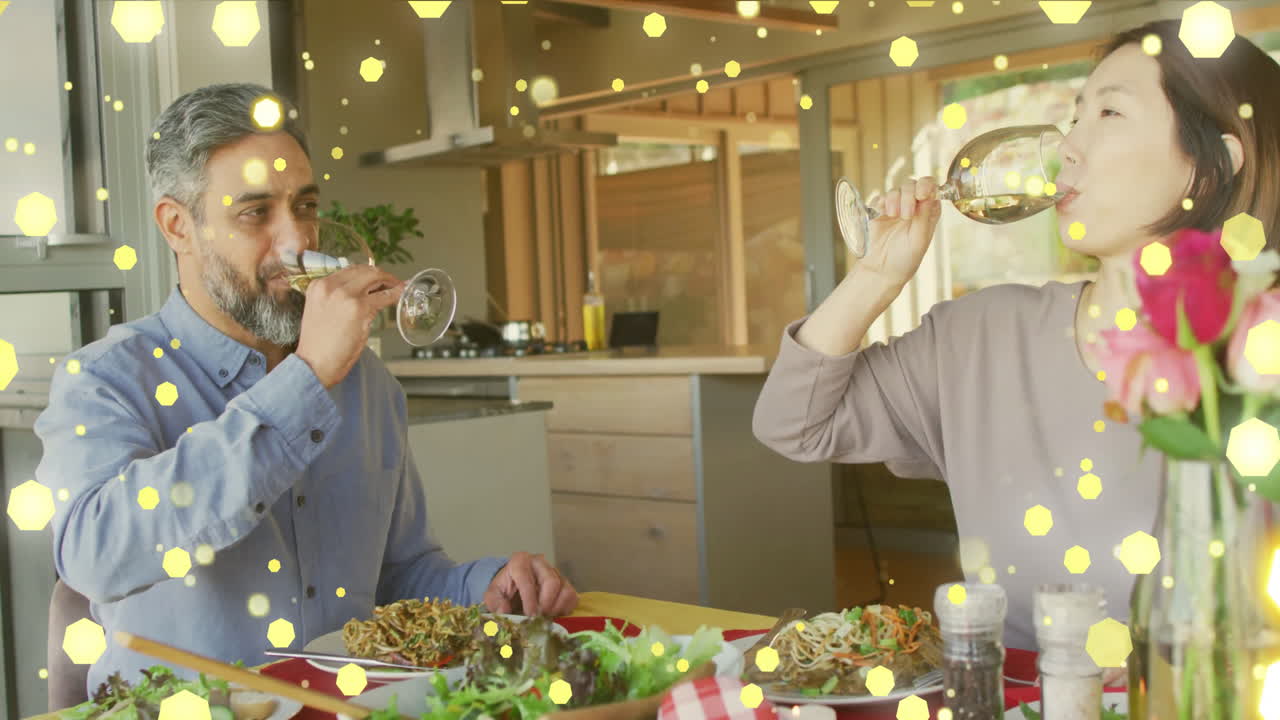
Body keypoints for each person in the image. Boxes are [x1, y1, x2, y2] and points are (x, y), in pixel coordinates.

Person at [753, 18, 1280, 659]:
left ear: (1210, 168)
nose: (1069, 147)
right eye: (1074, 116)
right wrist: (874, 276)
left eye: (1109, 113)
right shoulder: (979, 338)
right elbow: (794, 425)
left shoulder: (1261, 354)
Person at [34, 83, 577, 695]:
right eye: (255, 213)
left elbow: (397, 578)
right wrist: (307, 379)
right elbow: (93, 556)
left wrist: (487, 585)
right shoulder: (104, 379)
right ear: (178, 226)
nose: (297, 241)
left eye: (306, 206)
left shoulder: (366, 384)